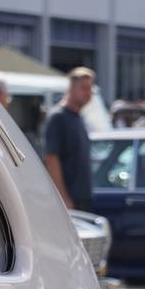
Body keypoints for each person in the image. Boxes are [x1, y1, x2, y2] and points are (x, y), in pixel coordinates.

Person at [41, 66, 94, 211]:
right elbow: (51, 158)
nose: (88, 93)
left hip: (82, 198)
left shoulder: (78, 117)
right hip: (69, 200)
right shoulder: (58, 117)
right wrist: (63, 198)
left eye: (90, 88)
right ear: (70, 89)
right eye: (84, 88)